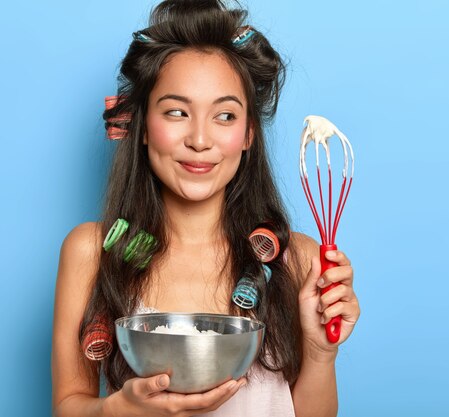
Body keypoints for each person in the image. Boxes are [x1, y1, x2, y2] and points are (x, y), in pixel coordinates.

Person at [51, 1, 360, 416]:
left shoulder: (295, 259)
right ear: (141, 127)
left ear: (249, 133)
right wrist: (117, 410)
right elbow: (69, 405)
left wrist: (322, 354)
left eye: (225, 115)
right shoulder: (94, 251)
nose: (200, 139)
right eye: (177, 112)